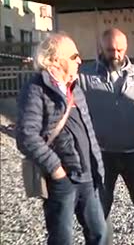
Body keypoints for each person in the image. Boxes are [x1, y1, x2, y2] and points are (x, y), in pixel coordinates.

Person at [16, 32, 107, 245]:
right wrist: (57, 171)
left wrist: (96, 167)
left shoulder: (75, 89)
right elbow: (26, 136)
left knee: (99, 234)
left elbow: (87, 131)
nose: (80, 61)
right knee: (62, 239)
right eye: (75, 56)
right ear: (57, 60)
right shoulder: (36, 89)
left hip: (86, 176)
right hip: (62, 180)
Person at [78, 28, 134, 245]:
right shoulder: (83, 77)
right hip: (101, 156)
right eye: (110, 49)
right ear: (100, 48)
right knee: (100, 210)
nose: (115, 54)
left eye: (119, 50)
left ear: (126, 49)